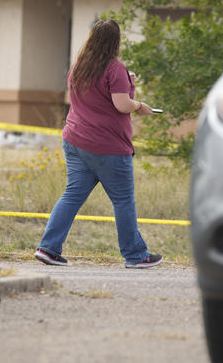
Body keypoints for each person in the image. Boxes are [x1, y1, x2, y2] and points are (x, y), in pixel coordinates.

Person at [34, 19, 162, 269]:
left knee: (72, 194)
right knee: (123, 200)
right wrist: (139, 106)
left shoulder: (79, 66)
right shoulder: (115, 68)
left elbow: (102, 97)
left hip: (75, 141)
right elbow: (121, 105)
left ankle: (48, 248)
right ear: (116, 41)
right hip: (107, 147)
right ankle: (136, 255)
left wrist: (128, 83)